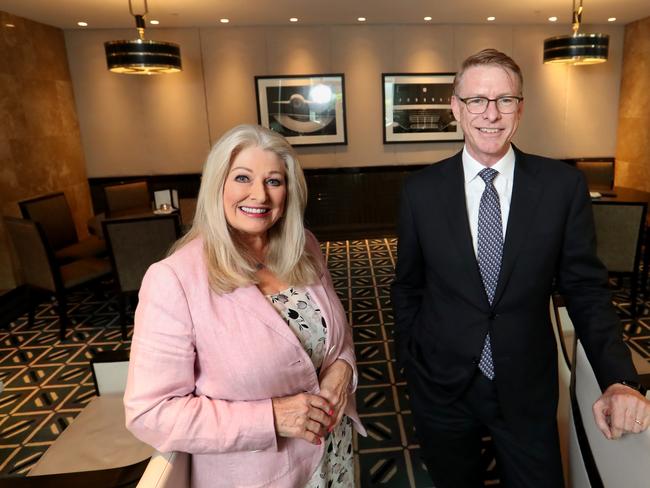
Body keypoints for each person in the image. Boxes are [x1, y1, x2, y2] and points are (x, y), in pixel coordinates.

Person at [391, 48, 650, 488]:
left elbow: (587, 291)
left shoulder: (560, 187)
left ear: (520, 108)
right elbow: (408, 286)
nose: (490, 113)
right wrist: (410, 360)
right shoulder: (420, 192)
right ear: (456, 108)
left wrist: (619, 378)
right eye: (477, 100)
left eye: (504, 100)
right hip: (441, 383)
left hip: (526, 383)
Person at [124, 124, 365, 488]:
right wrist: (271, 417)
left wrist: (343, 370)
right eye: (242, 177)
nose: (260, 195)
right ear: (217, 185)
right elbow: (150, 413)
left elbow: (337, 335)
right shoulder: (173, 280)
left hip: (335, 456)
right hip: (262, 477)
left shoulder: (306, 248)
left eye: (274, 181)